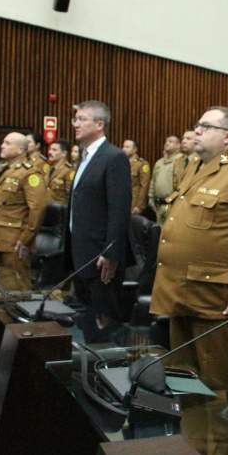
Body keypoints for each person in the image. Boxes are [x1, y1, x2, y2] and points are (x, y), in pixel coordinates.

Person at [150, 106, 228, 455]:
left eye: (206, 126)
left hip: (218, 302)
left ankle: (219, 451)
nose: (197, 131)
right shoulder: (194, 167)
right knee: (185, 382)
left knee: (217, 389)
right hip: (180, 296)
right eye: (197, 125)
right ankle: (194, 446)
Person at [69, 101, 131, 333]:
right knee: (87, 321)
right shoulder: (85, 157)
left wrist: (111, 252)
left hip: (101, 257)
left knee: (104, 326)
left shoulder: (114, 157)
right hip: (81, 252)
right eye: (75, 119)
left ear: (99, 124)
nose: (76, 124)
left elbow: (119, 209)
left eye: (82, 119)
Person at [0, 132, 47, 292]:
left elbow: (38, 208)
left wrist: (27, 239)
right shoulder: (6, 170)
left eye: (7, 143)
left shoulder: (29, 173)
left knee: (17, 290)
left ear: (20, 149)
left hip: (15, 241)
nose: (2, 146)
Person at [148, 134, 183, 224]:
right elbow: (153, 182)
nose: (167, 143)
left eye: (171, 142)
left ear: (178, 145)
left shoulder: (182, 161)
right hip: (159, 205)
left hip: (173, 205)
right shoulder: (159, 162)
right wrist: (151, 199)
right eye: (166, 141)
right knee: (159, 230)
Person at [122, 139, 151, 215]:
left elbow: (144, 186)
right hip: (122, 201)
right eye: (123, 146)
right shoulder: (121, 163)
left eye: (127, 147)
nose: (123, 149)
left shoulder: (142, 164)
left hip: (134, 202)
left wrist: (139, 206)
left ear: (134, 149)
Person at [47, 139, 75, 205]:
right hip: (46, 207)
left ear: (64, 153)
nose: (50, 152)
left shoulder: (69, 170)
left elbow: (70, 195)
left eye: (54, 150)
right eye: (50, 149)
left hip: (60, 208)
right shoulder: (50, 168)